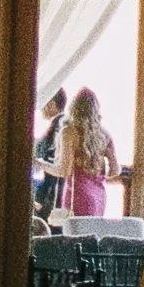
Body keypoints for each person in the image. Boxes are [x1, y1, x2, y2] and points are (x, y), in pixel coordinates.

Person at [55, 86, 118, 220]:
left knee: (75, 237)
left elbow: (64, 171)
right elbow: (115, 171)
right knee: (93, 237)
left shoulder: (69, 132)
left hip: (77, 194)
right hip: (98, 196)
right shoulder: (104, 135)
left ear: (74, 107)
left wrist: (39, 164)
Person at [33, 88, 67, 215]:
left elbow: (50, 162)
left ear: (52, 104)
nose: (41, 108)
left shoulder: (58, 128)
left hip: (54, 195)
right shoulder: (62, 124)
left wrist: (40, 198)